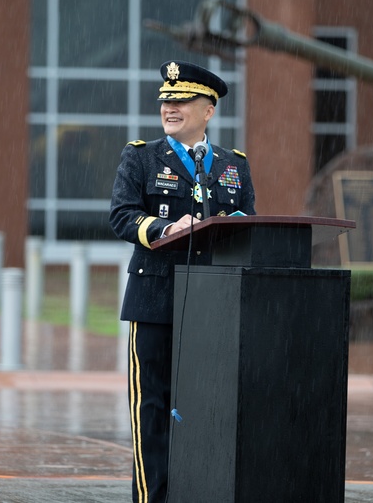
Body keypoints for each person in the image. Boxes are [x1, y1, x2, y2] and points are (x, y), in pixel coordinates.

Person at [110, 60, 256, 502]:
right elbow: (121, 215)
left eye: (181, 100)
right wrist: (163, 229)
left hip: (215, 304)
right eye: (165, 101)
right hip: (155, 301)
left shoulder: (234, 165)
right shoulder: (141, 156)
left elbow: (249, 222)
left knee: (206, 408)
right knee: (153, 409)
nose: (169, 108)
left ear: (208, 110)